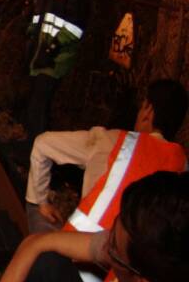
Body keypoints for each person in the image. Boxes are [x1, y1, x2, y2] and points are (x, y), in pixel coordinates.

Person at [0, 171, 189, 282]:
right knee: (48, 265)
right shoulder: (150, 249)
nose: (105, 245)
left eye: (113, 248)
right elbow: (38, 243)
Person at [26, 79, 188, 234]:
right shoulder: (182, 166)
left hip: (80, 248)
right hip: (131, 260)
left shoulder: (115, 141)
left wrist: (42, 202)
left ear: (148, 111)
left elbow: (43, 144)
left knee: (37, 203)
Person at [24, 0, 89, 139]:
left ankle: (36, 151)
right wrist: (31, 36)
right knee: (35, 103)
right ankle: (32, 146)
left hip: (57, 57)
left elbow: (75, 25)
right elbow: (41, 14)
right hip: (42, 51)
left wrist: (53, 48)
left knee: (40, 104)